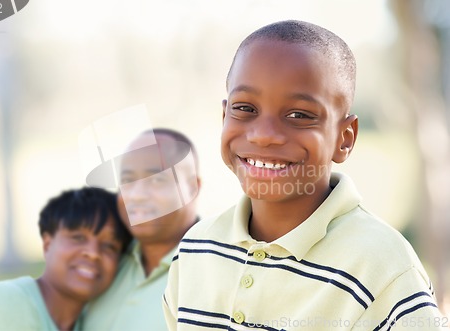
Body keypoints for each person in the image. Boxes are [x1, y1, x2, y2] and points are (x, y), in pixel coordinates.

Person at [163, 20, 447, 330]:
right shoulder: (195, 249)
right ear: (224, 116)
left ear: (345, 138)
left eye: (299, 115)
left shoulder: (382, 266)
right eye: (245, 108)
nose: (263, 136)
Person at [0, 187, 131, 331]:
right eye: (78, 238)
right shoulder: (8, 302)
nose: (93, 253)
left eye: (110, 246)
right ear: (47, 244)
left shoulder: (84, 322)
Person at [82, 128, 201, 331]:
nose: (137, 195)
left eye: (157, 179)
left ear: (192, 187)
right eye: (127, 181)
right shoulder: (102, 262)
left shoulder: (216, 269)